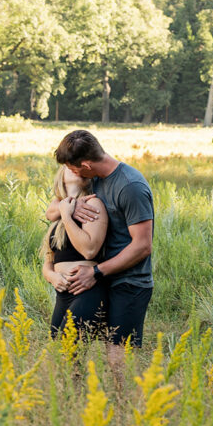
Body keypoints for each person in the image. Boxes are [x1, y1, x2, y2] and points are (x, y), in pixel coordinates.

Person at [46, 130, 154, 375]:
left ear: (85, 165)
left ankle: (127, 409)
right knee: (68, 347)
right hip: (99, 280)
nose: (71, 174)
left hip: (129, 282)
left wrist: (96, 271)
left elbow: (142, 245)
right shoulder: (92, 178)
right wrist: (69, 209)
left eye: (72, 169)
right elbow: (52, 208)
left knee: (117, 359)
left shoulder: (130, 186)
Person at [41, 165, 108, 339]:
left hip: (86, 290)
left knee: (67, 350)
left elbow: (89, 251)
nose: (73, 167)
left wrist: (66, 215)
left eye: (78, 165)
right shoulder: (59, 209)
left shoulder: (92, 203)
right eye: (68, 165)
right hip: (62, 293)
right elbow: (49, 260)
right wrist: (52, 277)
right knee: (59, 355)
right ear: (61, 175)